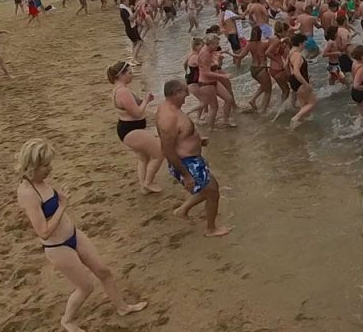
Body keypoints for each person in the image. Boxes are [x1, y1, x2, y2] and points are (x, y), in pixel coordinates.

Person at [16, 139, 148, 332]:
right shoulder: (27, 192)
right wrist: (62, 206)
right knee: (86, 287)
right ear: (32, 165)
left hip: (74, 235)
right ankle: (67, 320)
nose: (49, 169)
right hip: (58, 247)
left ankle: (123, 307)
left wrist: (60, 204)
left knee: (104, 271)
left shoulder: (41, 181)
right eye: (45, 165)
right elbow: (43, 231)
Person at [157, 78, 230, 237]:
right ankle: (211, 229)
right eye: (184, 92)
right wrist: (186, 175)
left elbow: (179, 136)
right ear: (175, 93)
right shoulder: (169, 116)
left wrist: (197, 140)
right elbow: (167, 149)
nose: (188, 95)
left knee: (207, 189)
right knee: (213, 191)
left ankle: (182, 210)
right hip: (187, 163)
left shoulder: (171, 108)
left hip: (191, 160)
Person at [107, 60, 164, 193]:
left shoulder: (120, 89)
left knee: (143, 158)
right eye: (129, 73)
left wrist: (145, 101)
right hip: (130, 130)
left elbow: (134, 106)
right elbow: (137, 112)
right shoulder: (122, 92)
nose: (132, 75)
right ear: (121, 75)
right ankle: (148, 183)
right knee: (159, 153)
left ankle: (144, 187)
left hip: (129, 129)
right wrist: (145, 101)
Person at [287, 33, 317, 129]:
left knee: (303, 105)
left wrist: (290, 79)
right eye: (304, 43)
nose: (305, 45)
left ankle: (300, 125)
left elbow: (285, 66)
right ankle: (296, 118)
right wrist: (306, 84)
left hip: (294, 82)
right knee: (312, 102)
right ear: (300, 43)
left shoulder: (291, 52)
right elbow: (296, 71)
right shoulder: (297, 55)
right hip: (299, 82)